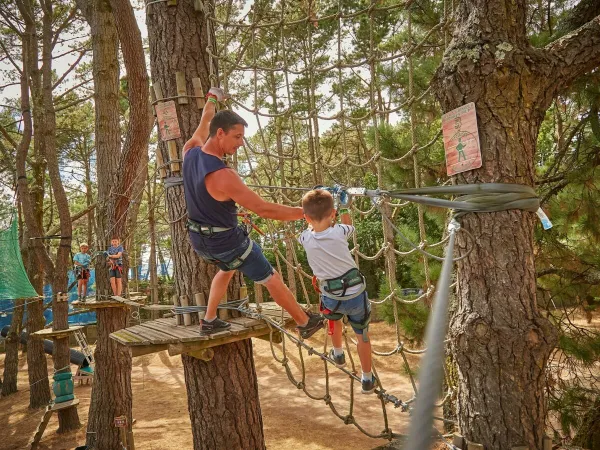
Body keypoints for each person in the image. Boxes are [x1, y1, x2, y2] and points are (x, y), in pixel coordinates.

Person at [182, 87, 324, 338]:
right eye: (237, 137)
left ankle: (209, 319)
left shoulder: (189, 152)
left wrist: (212, 98)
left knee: (226, 268)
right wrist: (307, 213)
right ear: (220, 133)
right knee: (270, 277)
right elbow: (264, 209)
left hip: (200, 242)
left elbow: (206, 119)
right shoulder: (224, 175)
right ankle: (304, 322)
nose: (240, 143)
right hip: (227, 242)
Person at [298, 189, 377, 394]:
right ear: (332, 214)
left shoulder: (305, 238)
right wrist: (344, 202)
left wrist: (311, 215)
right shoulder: (339, 231)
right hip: (356, 294)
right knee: (362, 335)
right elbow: (349, 224)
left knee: (333, 319)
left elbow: (308, 226)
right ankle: (367, 378)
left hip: (331, 296)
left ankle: (338, 353)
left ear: (306, 217)